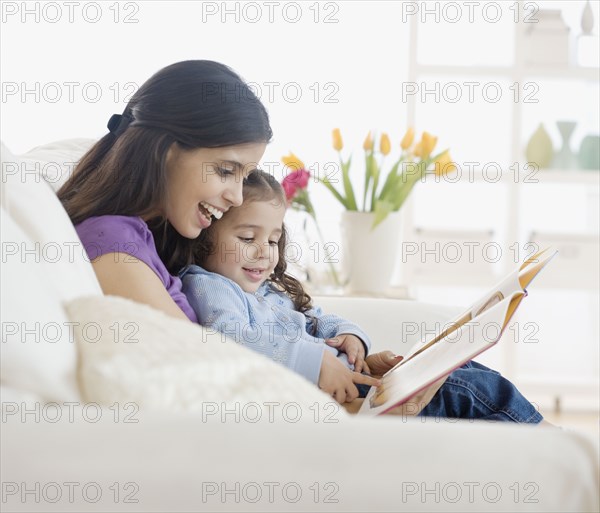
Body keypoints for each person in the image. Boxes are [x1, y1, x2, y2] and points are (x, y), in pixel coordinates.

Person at [57, 59, 378, 400]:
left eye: (243, 177)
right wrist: (318, 367)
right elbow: (204, 364)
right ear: (166, 151)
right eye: (226, 171)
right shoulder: (114, 246)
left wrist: (349, 361)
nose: (236, 196)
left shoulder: (152, 237)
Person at [180, 169, 545, 423]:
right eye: (247, 239)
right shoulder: (210, 285)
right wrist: (318, 361)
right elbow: (227, 338)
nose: (264, 252)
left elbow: (318, 318)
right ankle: (558, 453)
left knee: (465, 371)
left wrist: (352, 337)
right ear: (206, 237)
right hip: (349, 401)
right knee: (466, 390)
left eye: (273, 240)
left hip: (360, 383)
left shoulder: (268, 291)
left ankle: (547, 453)